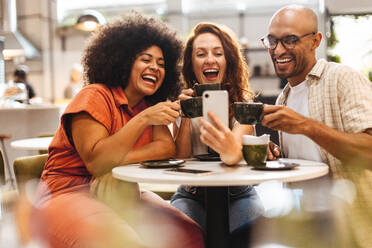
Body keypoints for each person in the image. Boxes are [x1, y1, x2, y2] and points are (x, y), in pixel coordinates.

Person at [31, 13, 204, 248]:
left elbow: (165, 148)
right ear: (124, 60)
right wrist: (142, 120)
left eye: (161, 64)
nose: (154, 67)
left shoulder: (151, 105)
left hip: (122, 189)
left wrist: (114, 167)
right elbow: (97, 161)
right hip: (67, 192)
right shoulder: (94, 96)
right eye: (146, 59)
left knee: (190, 235)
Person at [260, 5, 372, 247]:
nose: (278, 50)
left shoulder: (343, 79)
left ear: (315, 40)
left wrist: (306, 126)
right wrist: (275, 156)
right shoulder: (285, 97)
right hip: (305, 223)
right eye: (272, 41)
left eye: (289, 40)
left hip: (350, 228)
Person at [171, 22, 266, 247]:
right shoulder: (181, 103)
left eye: (218, 53)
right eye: (200, 54)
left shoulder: (243, 104)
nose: (210, 60)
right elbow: (181, 160)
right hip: (191, 193)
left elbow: (232, 155)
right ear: (191, 64)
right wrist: (186, 115)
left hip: (238, 194)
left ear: (228, 61)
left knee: (254, 236)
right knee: (176, 236)